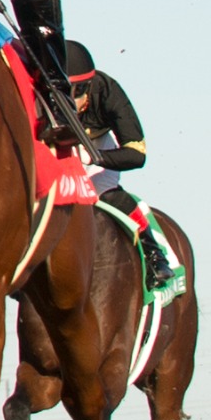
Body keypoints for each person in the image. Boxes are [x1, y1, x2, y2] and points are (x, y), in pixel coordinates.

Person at [66, 41, 174, 284]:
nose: (72, 103)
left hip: (99, 150)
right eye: (65, 92)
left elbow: (137, 155)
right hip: (58, 149)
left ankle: (154, 254)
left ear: (90, 85)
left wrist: (95, 156)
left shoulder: (109, 93)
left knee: (106, 194)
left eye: (78, 92)